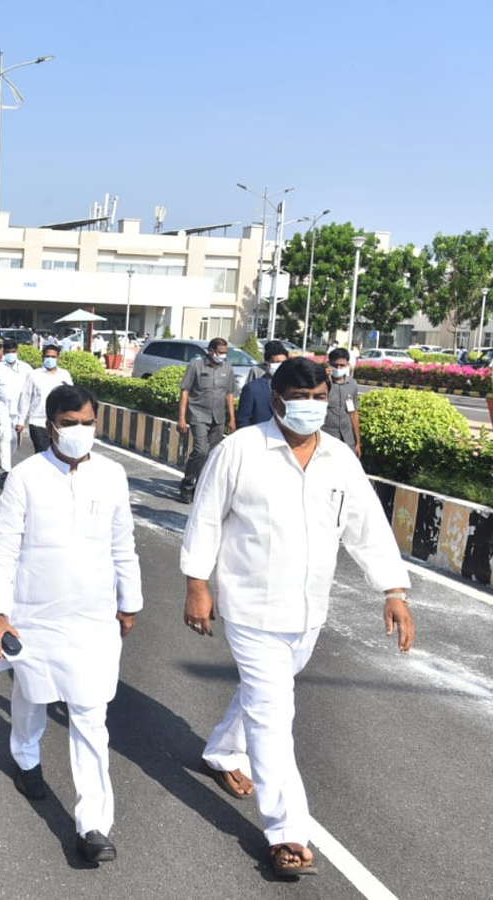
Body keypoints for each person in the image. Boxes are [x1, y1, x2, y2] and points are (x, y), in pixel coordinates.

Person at [181, 356, 414, 880]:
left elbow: (367, 528)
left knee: (270, 693)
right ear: (277, 399)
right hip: (251, 606)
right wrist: (196, 583)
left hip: (310, 608)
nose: (312, 406)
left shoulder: (339, 459)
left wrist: (394, 590)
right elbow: (206, 516)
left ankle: (221, 751)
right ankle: (287, 832)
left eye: (320, 396)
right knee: (273, 715)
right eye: (301, 398)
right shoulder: (239, 450)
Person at [0, 384, 142, 865]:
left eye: (87, 421)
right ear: (50, 426)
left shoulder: (112, 475)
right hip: (35, 614)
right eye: (69, 423)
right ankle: (26, 757)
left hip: (92, 618)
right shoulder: (26, 476)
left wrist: (129, 600)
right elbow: (5, 545)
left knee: (91, 716)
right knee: (32, 695)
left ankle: (93, 824)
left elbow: (123, 544)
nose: (79, 431)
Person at [177, 337, 236, 504]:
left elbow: (230, 394)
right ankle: (187, 485)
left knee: (212, 455)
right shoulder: (196, 366)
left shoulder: (227, 368)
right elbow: (185, 392)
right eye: (220, 352)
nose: (223, 356)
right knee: (201, 451)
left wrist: (232, 419)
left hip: (218, 417)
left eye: (225, 353)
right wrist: (181, 418)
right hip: (198, 415)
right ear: (211, 351)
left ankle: (201, 487)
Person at [18, 344, 73, 454]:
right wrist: (20, 421)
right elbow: (26, 398)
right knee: (42, 453)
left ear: (58, 358)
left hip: (58, 423)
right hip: (38, 422)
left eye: (53, 357)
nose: (50, 359)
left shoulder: (64, 375)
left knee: (58, 454)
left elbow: (71, 398)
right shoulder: (34, 375)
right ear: (43, 357)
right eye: (48, 356)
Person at [0, 338, 32, 474]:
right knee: (4, 435)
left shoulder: (26, 368)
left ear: (17, 351)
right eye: (8, 352)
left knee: (13, 438)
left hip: (20, 407)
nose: (11, 354)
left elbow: (32, 386)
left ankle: (8, 458)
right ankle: (6, 469)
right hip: (2, 405)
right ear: (4, 352)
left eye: (13, 352)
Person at [236, 341, 288, 428]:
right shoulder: (254, 385)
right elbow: (244, 418)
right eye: (276, 362)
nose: (280, 366)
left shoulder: (293, 385)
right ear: (267, 364)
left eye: (283, 362)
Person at [323, 348, 361, 456]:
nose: (338, 368)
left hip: (347, 439)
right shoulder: (322, 383)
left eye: (342, 365)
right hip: (327, 437)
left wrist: (357, 442)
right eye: (335, 365)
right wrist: (326, 379)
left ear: (347, 365)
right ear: (329, 364)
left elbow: (353, 414)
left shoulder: (352, 384)